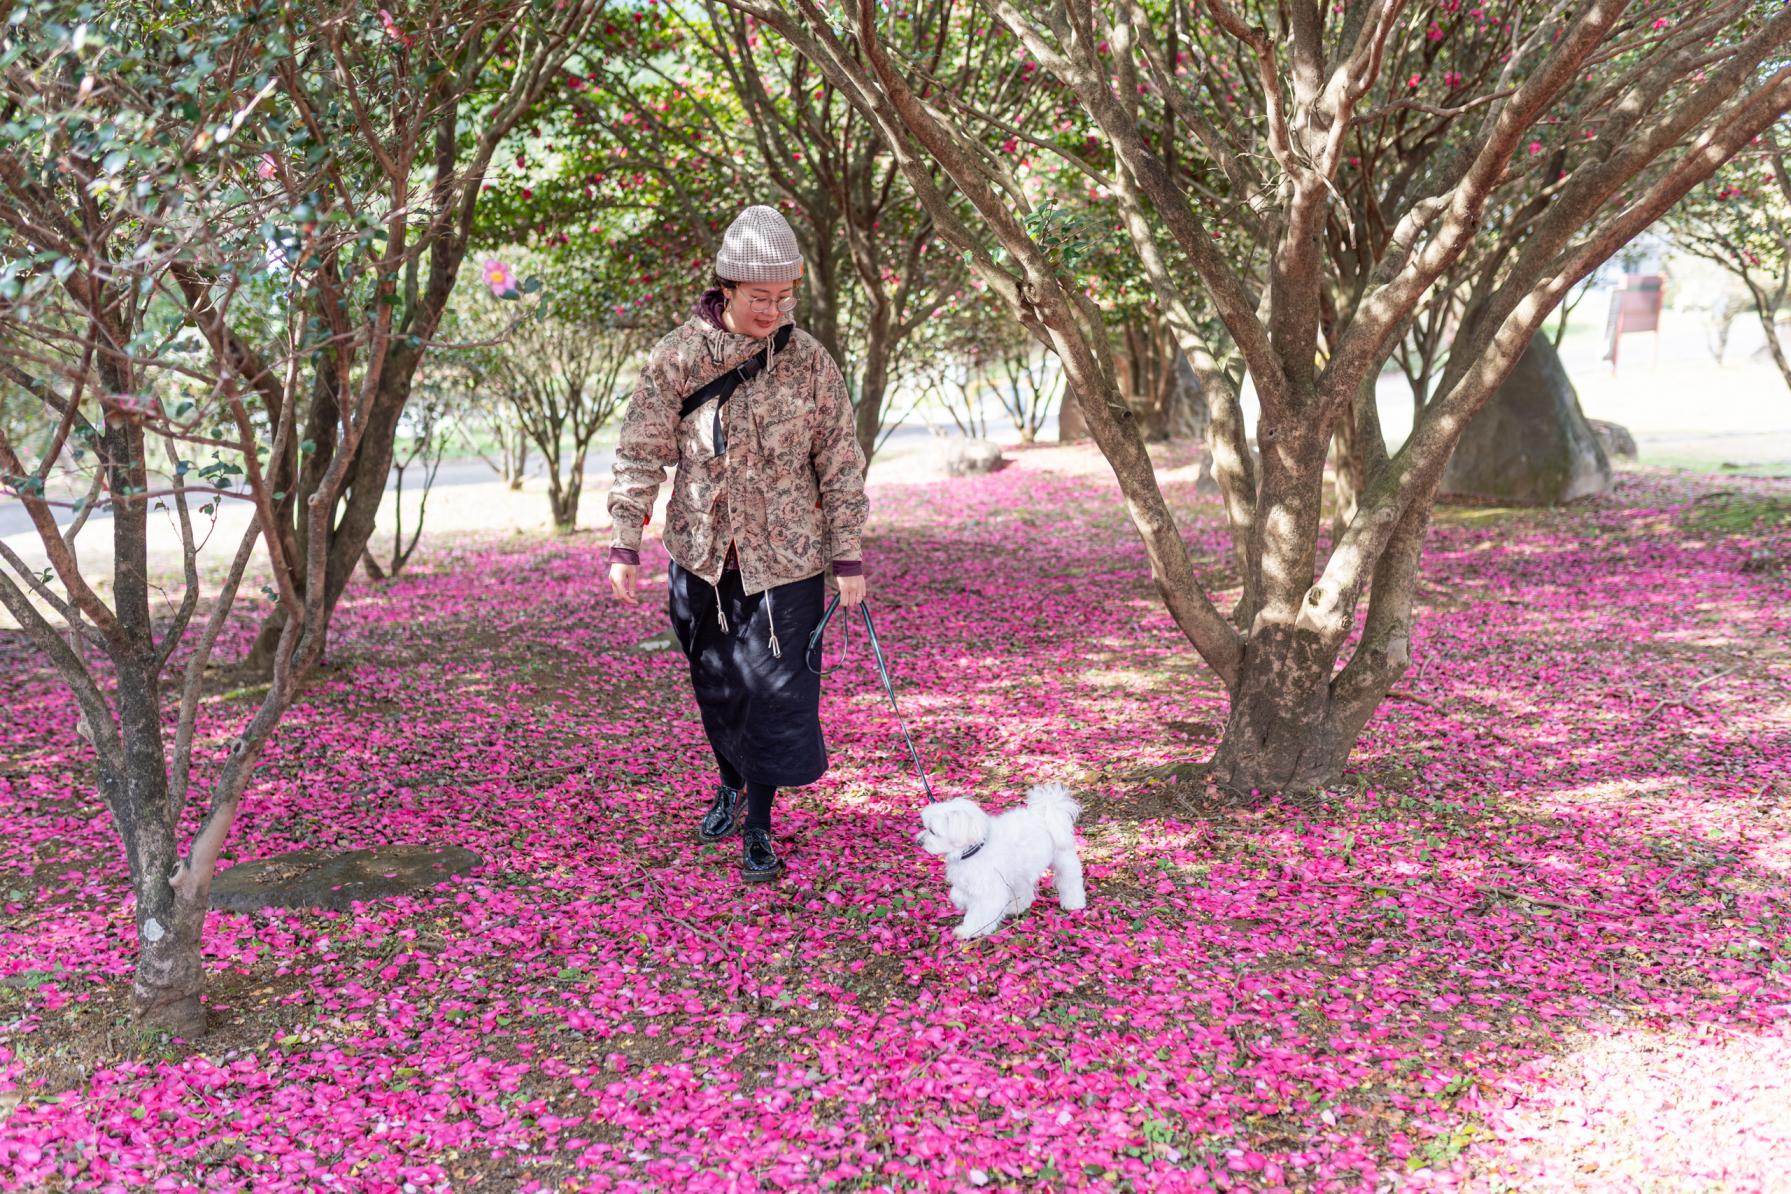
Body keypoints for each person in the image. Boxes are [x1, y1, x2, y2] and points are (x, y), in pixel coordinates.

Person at [606, 204, 869, 883]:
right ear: (724, 290)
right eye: (761, 298)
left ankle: (759, 824)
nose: (774, 311)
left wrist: (847, 555)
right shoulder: (677, 357)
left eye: (785, 298)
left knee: (775, 693)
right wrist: (623, 542)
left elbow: (839, 460)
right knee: (718, 687)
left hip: (787, 562)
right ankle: (730, 780)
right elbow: (639, 453)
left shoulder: (808, 361)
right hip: (699, 555)